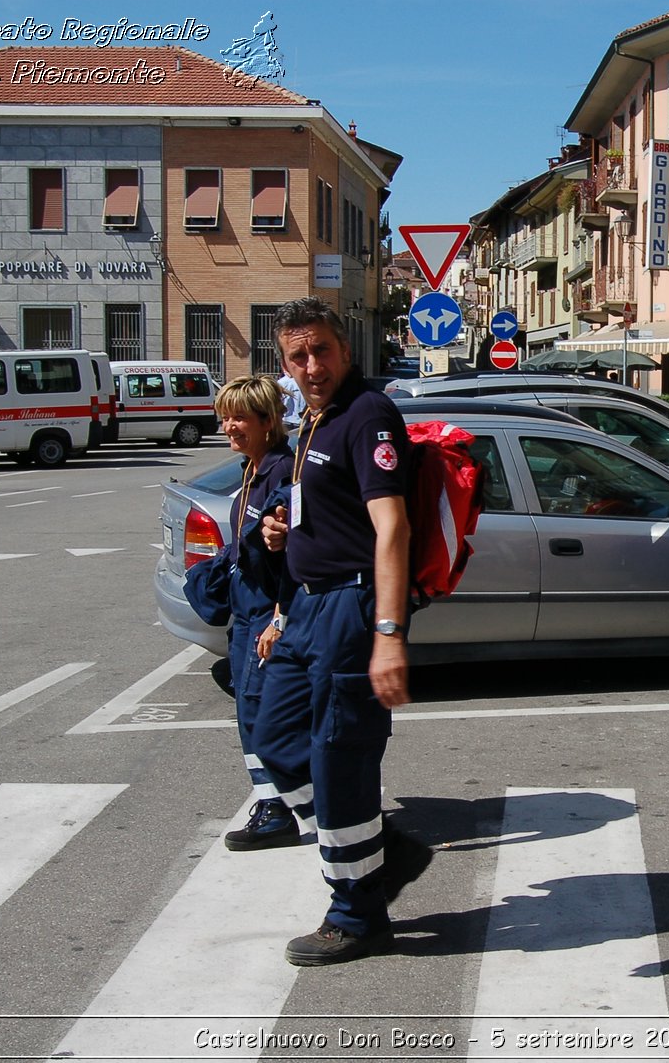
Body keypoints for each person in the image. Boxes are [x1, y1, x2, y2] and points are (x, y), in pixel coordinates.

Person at [254, 297, 431, 966]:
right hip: (304, 608)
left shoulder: (367, 415)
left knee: (340, 761)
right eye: (297, 356)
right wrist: (281, 530)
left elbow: (392, 527)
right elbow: (323, 512)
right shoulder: (313, 420)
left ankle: (357, 913)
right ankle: (382, 850)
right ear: (284, 362)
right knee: (275, 741)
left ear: (345, 348)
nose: (311, 366)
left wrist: (389, 633)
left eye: (321, 350)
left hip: (352, 612)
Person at [212, 376, 299, 851]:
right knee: (253, 708)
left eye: (239, 417)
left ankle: (278, 809)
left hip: (267, 611)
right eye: (225, 415)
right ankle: (280, 801)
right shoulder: (252, 469)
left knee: (260, 710)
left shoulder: (281, 475)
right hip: (245, 611)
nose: (229, 425)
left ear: (268, 422)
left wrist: (279, 618)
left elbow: (294, 558)